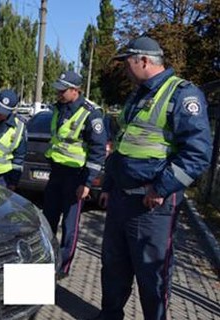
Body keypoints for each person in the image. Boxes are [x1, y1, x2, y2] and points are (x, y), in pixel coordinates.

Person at [91, 36, 212, 320]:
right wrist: (108, 185)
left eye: (126, 63)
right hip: (121, 200)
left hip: (152, 207)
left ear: (143, 61)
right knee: (113, 267)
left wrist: (160, 187)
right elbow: (121, 145)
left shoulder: (182, 94)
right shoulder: (137, 95)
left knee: (152, 276)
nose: (124, 70)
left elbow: (197, 154)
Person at [43, 70, 108, 279]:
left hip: (76, 176)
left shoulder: (91, 113)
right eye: (58, 89)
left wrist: (87, 182)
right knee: (48, 219)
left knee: (70, 225)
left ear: (75, 90)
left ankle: (62, 267)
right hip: (56, 172)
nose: (59, 93)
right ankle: (46, 260)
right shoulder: (58, 109)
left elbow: (98, 152)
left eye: (63, 90)